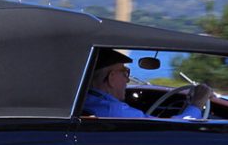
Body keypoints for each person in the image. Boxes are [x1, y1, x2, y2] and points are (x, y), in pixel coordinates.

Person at [83, 49, 212, 119]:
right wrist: (197, 104)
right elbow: (172, 131)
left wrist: (187, 106)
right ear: (111, 77)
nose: (128, 80)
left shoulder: (85, 101)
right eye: (125, 72)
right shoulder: (115, 111)